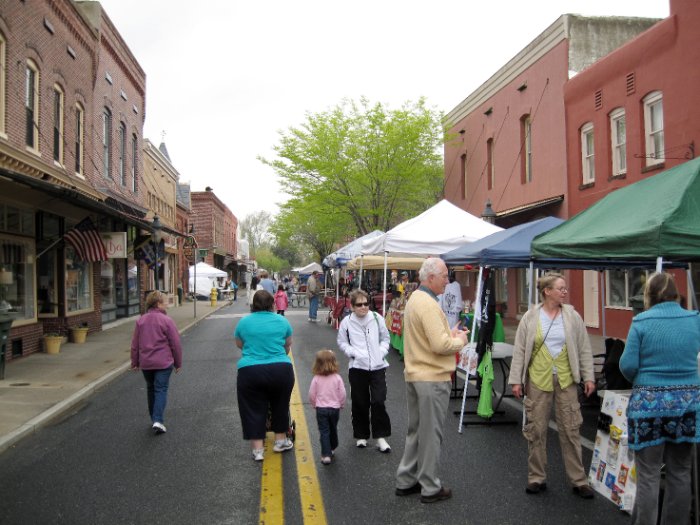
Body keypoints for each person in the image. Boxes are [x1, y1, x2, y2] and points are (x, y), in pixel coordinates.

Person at [619, 272, 700, 525]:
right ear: (675, 293)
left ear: (649, 296)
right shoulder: (694, 319)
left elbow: (627, 365)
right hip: (686, 405)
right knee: (681, 472)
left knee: (649, 475)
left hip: (649, 409)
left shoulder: (641, 321)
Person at [508, 272, 596, 498]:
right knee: (537, 429)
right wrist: (516, 380)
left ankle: (579, 480)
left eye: (565, 288)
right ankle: (536, 477)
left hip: (566, 379)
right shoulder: (531, 317)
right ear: (547, 292)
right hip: (538, 378)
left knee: (571, 429)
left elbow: (584, 347)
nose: (565, 292)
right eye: (560, 288)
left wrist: (588, 377)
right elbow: (519, 349)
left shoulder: (572, 316)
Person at [395, 257, 469, 504]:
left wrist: (450, 334)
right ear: (431, 278)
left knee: (416, 431)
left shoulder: (416, 298)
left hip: (417, 374)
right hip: (431, 377)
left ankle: (406, 479)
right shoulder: (427, 303)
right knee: (430, 434)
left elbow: (429, 339)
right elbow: (440, 345)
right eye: (445, 276)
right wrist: (460, 340)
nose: (448, 281)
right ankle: (429, 486)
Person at [234, 290, 295, 461]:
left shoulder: (244, 322)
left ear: (253, 305)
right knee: (280, 404)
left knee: (252, 408)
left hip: (250, 371)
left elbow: (240, 344)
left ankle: (258, 450)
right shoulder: (282, 321)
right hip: (280, 369)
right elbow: (287, 344)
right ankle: (280, 441)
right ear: (272, 304)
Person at [337, 289, 392, 453]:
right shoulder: (346, 322)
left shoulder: (377, 318)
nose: (363, 307)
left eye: (366, 304)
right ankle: (361, 435)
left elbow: (385, 338)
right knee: (360, 402)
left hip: (377, 366)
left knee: (378, 400)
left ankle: (380, 437)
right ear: (352, 306)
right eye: (359, 304)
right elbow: (342, 342)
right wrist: (352, 353)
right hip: (357, 367)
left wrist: (381, 353)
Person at [130, 290, 183, 435]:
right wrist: (178, 363)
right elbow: (175, 344)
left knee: (151, 389)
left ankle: (154, 418)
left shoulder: (141, 320)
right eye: (165, 301)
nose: (167, 304)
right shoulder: (167, 321)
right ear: (158, 303)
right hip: (163, 363)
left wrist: (134, 361)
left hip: (146, 363)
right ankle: (158, 420)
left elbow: (135, 344)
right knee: (160, 389)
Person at [308, 349, 347, 465]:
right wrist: (341, 403)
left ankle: (326, 455)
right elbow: (342, 393)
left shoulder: (316, 378)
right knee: (333, 428)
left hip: (321, 409)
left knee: (324, 431)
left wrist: (314, 404)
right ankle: (332, 447)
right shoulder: (337, 378)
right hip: (335, 408)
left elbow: (311, 394)